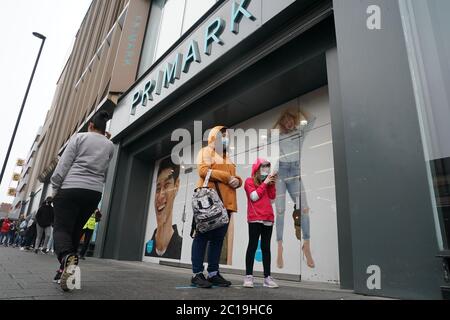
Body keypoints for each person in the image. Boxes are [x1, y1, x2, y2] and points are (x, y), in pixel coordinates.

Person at [51, 111, 114, 291]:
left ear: (91, 126)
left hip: (71, 187)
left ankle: (66, 257)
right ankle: (63, 270)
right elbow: (105, 171)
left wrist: (55, 188)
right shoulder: (110, 145)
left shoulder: (79, 138)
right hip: (93, 193)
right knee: (75, 231)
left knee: (61, 229)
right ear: (104, 128)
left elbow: (64, 163)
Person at [191, 126, 242, 288]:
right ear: (214, 137)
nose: (225, 138)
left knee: (218, 239)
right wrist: (228, 178)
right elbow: (203, 170)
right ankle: (197, 273)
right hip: (209, 202)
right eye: (222, 135)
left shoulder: (228, 157)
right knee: (202, 236)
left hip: (226, 204)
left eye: (227, 136)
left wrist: (238, 181)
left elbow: (235, 176)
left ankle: (213, 273)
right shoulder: (206, 151)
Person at [273, 108, 316, 269]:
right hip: (282, 173)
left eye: (289, 119)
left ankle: (306, 245)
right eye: (284, 121)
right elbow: (269, 135)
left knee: (304, 208)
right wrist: (279, 117)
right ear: (282, 124)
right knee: (280, 211)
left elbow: (313, 119)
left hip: (295, 171)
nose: (288, 122)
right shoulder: (280, 137)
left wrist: (300, 109)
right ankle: (279, 247)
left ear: (294, 119)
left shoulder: (300, 132)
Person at [243, 158, 279, 288]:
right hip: (255, 218)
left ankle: (267, 278)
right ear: (257, 169)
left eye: (267, 167)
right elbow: (254, 197)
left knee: (266, 248)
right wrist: (265, 184)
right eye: (263, 167)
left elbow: (272, 199)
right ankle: (248, 277)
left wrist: (272, 184)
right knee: (252, 246)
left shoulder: (267, 182)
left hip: (268, 218)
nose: (266, 170)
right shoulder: (249, 181)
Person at [146, 157, 183, 259]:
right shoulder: (146, 248)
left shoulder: (181, 248)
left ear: (177, 186)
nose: (160, 196)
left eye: (167, 185)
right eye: (158, 188)